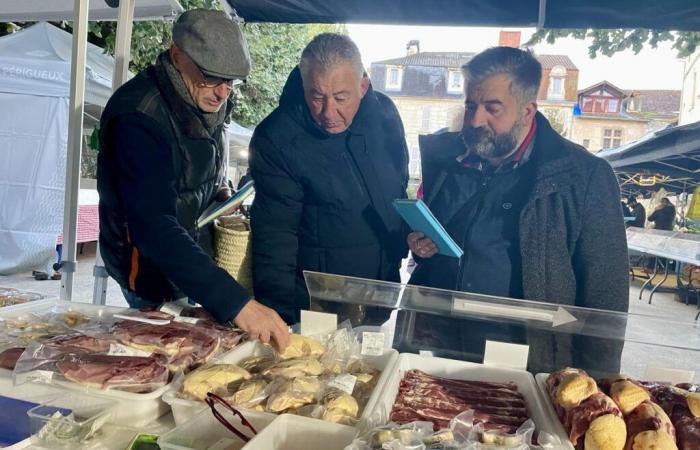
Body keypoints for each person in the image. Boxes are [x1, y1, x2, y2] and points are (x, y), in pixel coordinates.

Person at [406, 47, 629, 374]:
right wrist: (418, 241)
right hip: (442, 349)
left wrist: (595, 387)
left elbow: (605, 299)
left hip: (527, 362)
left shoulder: (583, 176)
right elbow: (431, 231)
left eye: (492, 108)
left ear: (528, 110)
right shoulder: (447, 160)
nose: (476, 120)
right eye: (470, 105)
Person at [97, 9, 289, 350]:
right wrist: (236, 302)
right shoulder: (138, 118)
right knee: (159, 362)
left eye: (231, 81)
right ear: (176, 55)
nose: (222, 93)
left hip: (190, 259)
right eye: (212, 78)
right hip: (149, 272)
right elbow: (153, 227)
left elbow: (190, 177)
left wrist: (219, 197)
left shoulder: (202, 100)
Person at [250, 33, 409, 324]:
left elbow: (398, 189)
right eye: (317, 96)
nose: (328, 112)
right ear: (304, 84)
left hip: (381, 291)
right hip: (317, 305)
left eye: (340, 98)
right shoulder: (276, 137)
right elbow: (275, 237)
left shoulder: (385, 114)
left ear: (362, 87)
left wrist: (406, 239)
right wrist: (278, 316)